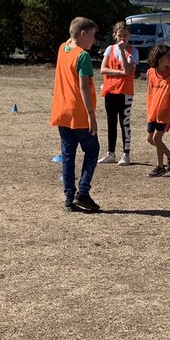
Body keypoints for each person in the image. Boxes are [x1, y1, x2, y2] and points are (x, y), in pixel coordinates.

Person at [50, 17, 102, 212]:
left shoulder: (63, 48)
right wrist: (91, 115)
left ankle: (68, 198)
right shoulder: (83, 56)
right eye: (92, 36)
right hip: (78, 113)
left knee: (68, 155)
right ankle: (83, 192)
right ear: (83, 34)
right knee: (92, 150)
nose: (94, 41)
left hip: (61, 112)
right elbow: (83, 88)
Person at [99, 21, 138, 166]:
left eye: (125, 35)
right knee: (111, 122)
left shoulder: (133, 51)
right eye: (119, 35)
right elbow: (103, 69)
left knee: (124, 122)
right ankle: (110, 153)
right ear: (114, 35)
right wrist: (119, 72)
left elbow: (127, 69)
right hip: (110, 90)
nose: (122, 38)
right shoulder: (109, 49)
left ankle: (126, 154)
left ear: (129, 36)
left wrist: (122, 51)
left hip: (125, 92)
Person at [145, 43, 170, 177]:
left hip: (165, 112)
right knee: (150, 139)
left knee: (157, 138)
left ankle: (160, 166)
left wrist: (169, 97)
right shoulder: (150, 72)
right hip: (153, 110)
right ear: (159, 57)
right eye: (167, 56)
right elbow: (150, 91)